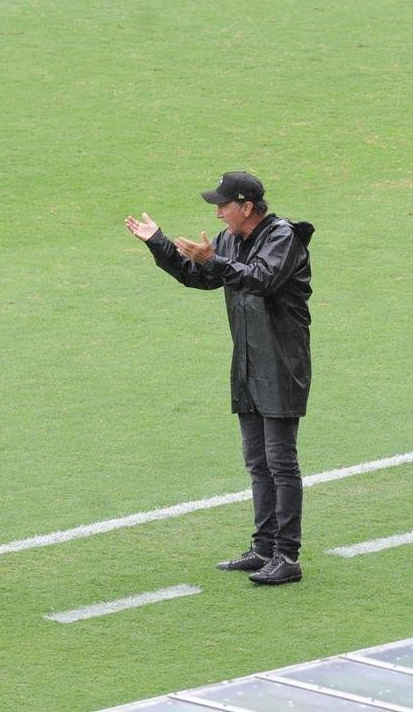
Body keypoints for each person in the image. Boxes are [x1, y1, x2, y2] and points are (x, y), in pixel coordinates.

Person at [125, 171, 314, 585]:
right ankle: (264, 548)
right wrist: (159, 242)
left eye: (224, 204)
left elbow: (260, 279)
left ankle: (288, 556)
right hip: (247, 362)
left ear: (246, 207)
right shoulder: (229, 240)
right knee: (257, 462)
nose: (217, 211)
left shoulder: (284, 238)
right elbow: (200, 277)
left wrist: (213, 259)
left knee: (281, 462)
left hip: (281, 364)